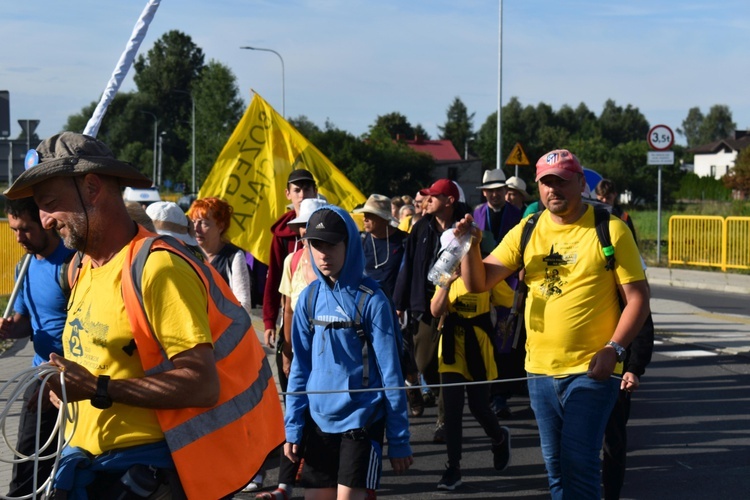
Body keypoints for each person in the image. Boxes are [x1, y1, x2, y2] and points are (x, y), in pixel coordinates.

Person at [3, 132, 283, 498]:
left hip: (144, 477)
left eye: (50, 204)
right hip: (88, 468)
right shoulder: (81, 268)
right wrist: (67, 391)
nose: (45, 221)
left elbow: (202, 383)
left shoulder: (158, 268)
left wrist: (97, 388)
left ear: (91, 187)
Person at [457, 149, 650, 499]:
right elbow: (478, 282)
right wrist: (470, 244)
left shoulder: (610, 228)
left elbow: (638, 298)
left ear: (580, 182)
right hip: (539, 372)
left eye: (561, 181)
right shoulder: (528, 228)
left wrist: (615, 349)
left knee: (580, 464)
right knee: (557, 471)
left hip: (592, 371)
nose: (553, 190)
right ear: (538, 187)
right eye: (546, 182)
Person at [284, 206, 413, 499]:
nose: (323, 253)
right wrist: (293, 426)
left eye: (332, 243)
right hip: (318, 424)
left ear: (350, 244)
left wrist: (399, 439)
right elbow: (300, 369)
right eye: (316, 244)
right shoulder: (308, 298)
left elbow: (391, 374)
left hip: (361, 422)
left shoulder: (373, 300)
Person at [0, 196, 75, 497]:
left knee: (69, 468)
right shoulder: (24, 267)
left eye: (26, 229)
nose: (19, 238)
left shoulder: (72, 265)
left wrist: (63, 378)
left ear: (46, 223)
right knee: (27, 469)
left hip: (73, 380)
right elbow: (23, 323)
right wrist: (8, 328)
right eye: (14, 229)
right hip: (38, 379)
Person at [429, 231, 512, 491]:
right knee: (452, 411)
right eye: (452, 252)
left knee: (479, 407)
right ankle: (453, 468)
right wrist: (445, 284)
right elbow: (435, 310)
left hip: (478, 344)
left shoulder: (484, 271)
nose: (456, 257)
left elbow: (509, 300)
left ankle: (499, 437)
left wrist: (504, 327)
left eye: (460, 252)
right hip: (452, 346)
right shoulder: (444, 274)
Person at [393, 178, 470, 443]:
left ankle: (444, 422)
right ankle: (430, 389)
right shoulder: (420, 227)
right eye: (426, 196)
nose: (427, 201)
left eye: (433, 196)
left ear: (449, 201)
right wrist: (400, 303)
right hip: (423, 304)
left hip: (457, 304)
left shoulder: (466, 227)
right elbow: (409, 265)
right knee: (425, 362)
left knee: (448, 366)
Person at [259, 198, 326, 500]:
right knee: (295, 413)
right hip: (297, 348)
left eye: (306, 227)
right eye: (300, 227)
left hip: (326, 350)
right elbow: (287, 307)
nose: (301, 233)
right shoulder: (293, 260)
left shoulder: (332, 260)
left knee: (319, 415)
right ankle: (285, 484)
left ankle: (317, 476)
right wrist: (287, 352)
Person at [594, 178, 654, 500]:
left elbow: (643, 318)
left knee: (612, 440)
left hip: (615, 367)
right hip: (574, 365)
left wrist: (633, 367)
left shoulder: (621, 241)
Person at [472, 168, 524, 418]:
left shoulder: (518, 215)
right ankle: (483, 393)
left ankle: (500, 396)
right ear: (484, 193)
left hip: (509, 283)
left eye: (499, 190)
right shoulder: (476, 214)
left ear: (506, 192)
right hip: (482, 284)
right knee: (482, 339)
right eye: (490, 191)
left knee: (504, 341)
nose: (494, 195)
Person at [263, 169, 318, 350]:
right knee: (287, 369)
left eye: (307, 189)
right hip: (290, 313)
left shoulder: (327, 225)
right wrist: (269, 320)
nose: (302, 195)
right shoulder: (282, 234)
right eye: (297, 190)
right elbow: (274, 277)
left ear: (315, 191)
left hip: (323, 316)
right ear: (288, 194)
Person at [187, 196, 252, 315]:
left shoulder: (233, 256)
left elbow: (244, 304)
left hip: (224, 330)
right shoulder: (187, 253)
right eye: (193, 222)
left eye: (204, 224)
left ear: (221, 226)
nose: (196, 228)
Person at [353, 194, 408, 298]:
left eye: (370, 215)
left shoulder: (403, 241)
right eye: (365, 214)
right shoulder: (360, 240)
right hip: (365, 303)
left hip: (394, 305)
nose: (365, 219)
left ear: (383, 218)